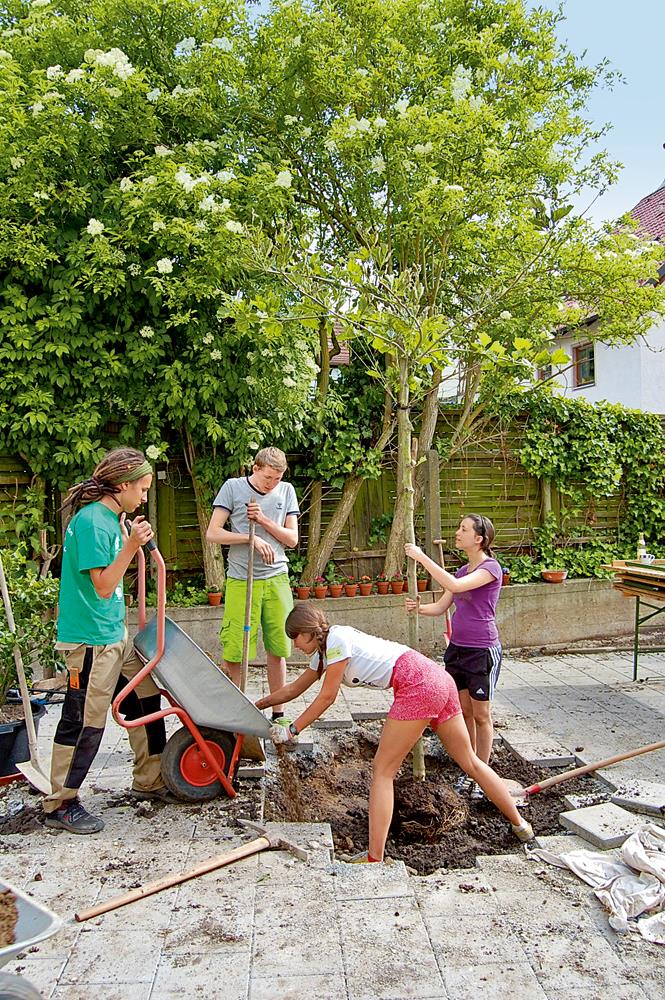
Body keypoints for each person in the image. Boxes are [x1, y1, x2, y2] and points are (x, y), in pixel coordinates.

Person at [255, 603, 533, 863]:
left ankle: (374, 858)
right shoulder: (324, 652)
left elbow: (327, 697)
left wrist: (292, 730)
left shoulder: (337, 641)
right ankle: (521, 827)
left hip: (418, 685)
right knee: (470, 762)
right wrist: (260, 704)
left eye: (296, 638)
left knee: (383, 770)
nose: (294, 645)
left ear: (310, 632)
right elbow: (295, 688)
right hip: (437, 679)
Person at [43, 448, 171, 835]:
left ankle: (150, 779)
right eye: (143, 489)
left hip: (112, 635)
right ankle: (61, 802)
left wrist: (129, 540)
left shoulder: (110, 519)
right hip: (90, 642)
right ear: (122, 486)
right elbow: (101, 586)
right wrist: (132, 546)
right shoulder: (94, 523)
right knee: (84, 721)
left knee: (144, 697)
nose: (145, 497)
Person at [405, 514, 503, 801]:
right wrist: (418, 609)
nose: (457, 533)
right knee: (464, 710)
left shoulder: (491, 568)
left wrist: (422, 557)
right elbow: (441, 606)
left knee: (482, 714)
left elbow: (457, 588)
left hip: (482, 650)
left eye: (463, 529)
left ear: (479, 539)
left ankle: (483, 773)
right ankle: (470, 768)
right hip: (457, 649)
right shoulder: (461, 570)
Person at [206, 447, 299, 719]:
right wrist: (250, 538)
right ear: (255, 469)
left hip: (277, 578)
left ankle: (278, 714)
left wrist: (262, 521)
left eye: (277, 478)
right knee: (235, 649)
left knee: (278, 648)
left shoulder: (286, 491)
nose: (272, 484)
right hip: (241, 580)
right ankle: (234, 712)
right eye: (268, 477)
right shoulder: (233, 488)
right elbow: (213, 533)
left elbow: (292, 539)